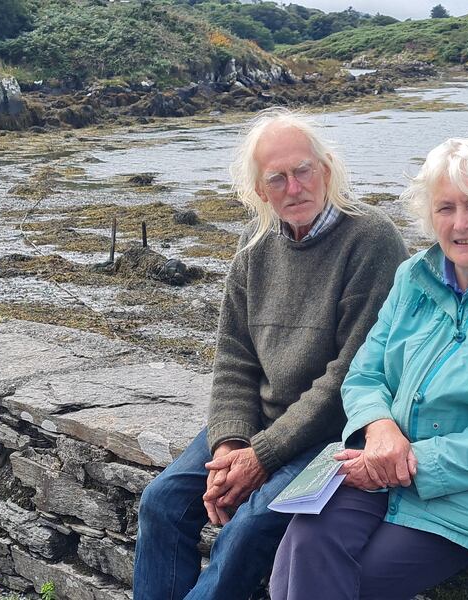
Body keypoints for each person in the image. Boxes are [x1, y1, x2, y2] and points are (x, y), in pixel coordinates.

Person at [270, 138, 468, 600]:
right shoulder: (413, 275)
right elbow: (364, 373)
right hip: (381, 462)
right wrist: (379, 430)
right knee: (301, 549)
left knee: (350, 583)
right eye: (445, 208)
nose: (461, 223)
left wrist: (410, 464)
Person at [133, 108, 408, 600]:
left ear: (325, 168)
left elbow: (349, 376)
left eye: (303, 170)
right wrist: (229, 447)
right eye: (276, 178)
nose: (294, 187)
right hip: (260, 424)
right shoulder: (254, 243)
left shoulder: (372, 240)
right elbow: (235, 358)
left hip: (333, 432)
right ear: (260, 190)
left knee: (248, 529)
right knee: (162, 502)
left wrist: (261, 456)